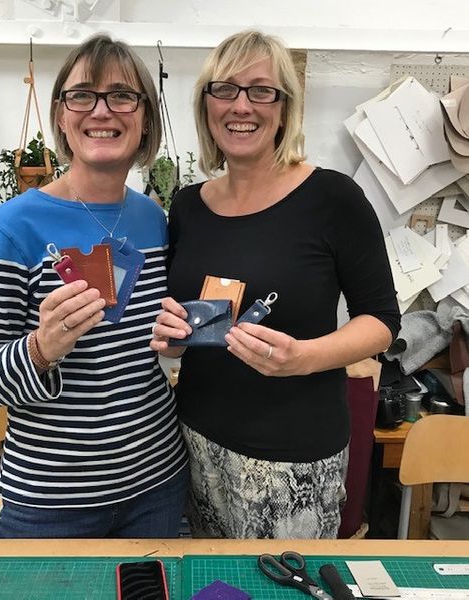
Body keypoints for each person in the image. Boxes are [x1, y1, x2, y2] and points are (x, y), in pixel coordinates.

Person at [151, 30, 401, 539]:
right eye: (225, 89)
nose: (242, 106)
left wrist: (302, 358)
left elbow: (382, 322)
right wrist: (171, 334)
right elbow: (183, 317)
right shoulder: (188, 207)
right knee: (209, 593)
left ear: (284, 109)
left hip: (293, 462)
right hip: (193, 442)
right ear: (206, 106)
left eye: (261, 90)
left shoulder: (332, 199)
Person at [0, 34, 188, 539]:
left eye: (122, 95)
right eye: (82, 95)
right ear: (61, 115)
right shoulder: (11, 229)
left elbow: (146, 351)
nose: (101, 111)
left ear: (145, 117)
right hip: (51, 502)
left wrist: (180, 338)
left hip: (157, 485)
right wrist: (40, 349)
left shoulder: (153, 219)